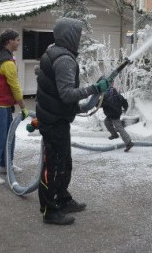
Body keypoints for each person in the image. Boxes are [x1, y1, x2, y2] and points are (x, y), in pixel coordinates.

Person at [36, 17, 110, 225]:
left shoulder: (52, 52)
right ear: (69, 36)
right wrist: (94, 89)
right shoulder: (64, 59)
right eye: (77, 35)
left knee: (62, 163)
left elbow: (55, 91)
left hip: (53, 116)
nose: (79, 39)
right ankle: (51, 210)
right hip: (54, 120)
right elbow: (67, 94)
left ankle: (62, 198)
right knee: (56, 165)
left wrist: (79, 106)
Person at [0, 29, 27, 185]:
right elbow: (15, 87)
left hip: (3, 105)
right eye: (17, 40)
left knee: (9, 136)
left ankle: (5, 164)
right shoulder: (7, 62)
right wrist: (22, 106)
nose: (19, 43)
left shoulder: (4, 57)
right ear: (9, 42)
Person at [102, 83, 134, 152]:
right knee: (107, 122)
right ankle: (114, 134)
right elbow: (124, 101)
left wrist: (95, 104)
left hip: (113, 114)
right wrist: (125, 108)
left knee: (119, 128)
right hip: (113, 114)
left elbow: (101, 104)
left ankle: (129, 143)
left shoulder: (105, 95)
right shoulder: (117, 94)